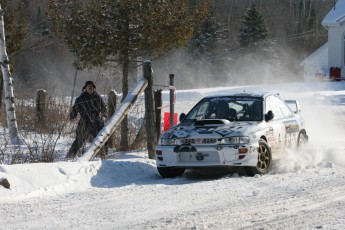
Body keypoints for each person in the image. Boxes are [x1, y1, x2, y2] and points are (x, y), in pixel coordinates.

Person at [66, 81, 108, 160]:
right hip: (84, 122)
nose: (90, 88)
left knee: (102, 139)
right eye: (88, 86)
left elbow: (104, 108)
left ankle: (104, 157)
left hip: (97, 122)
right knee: (78, 140)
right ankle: (70, 157)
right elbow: (75, 109)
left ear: (93, 88)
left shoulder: (98, 98)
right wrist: (72, 116)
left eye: (91, 86)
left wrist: (104, 115)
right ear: (85, 88)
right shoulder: (80, 98)